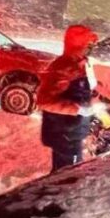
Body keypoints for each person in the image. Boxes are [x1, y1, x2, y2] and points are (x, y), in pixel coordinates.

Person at [37, 25, 99, 171]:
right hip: (64, 134)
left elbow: (77, 91)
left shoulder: (80, 65)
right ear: (78, 45)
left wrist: (92, 97)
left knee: (66, 174)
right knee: (68, 176)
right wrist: (77, 109)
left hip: (72, 132)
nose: (91, 49)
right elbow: (44, 101)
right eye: (88, 45)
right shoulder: (63, 68)